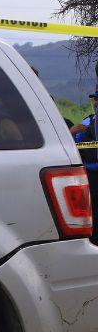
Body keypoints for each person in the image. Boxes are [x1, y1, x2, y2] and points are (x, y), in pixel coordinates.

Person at [70, 91, 98, 240]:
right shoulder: (88, 122)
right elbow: (71, 142)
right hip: (90, 175)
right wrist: (72, 132)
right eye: (95, 99)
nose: (95, 102)